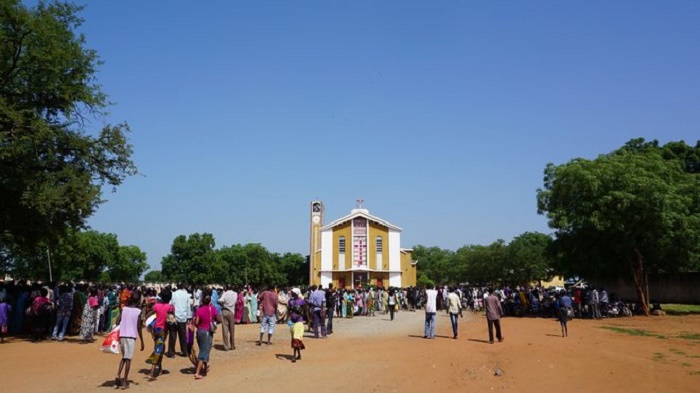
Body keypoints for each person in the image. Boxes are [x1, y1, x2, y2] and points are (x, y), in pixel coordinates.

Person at [115, 292, 144, 390]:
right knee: (128, 359)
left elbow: (117, 321)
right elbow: (139, 327)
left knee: (124, 357)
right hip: (131, 337)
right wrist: (142, 341)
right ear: (139, 300)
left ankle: (118, 374)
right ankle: (124, 381)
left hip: (122, 336)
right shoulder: (138, 311)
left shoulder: (124, 309)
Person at [146, 289, 174, 381]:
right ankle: (152, 372)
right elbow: (171, 318)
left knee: (159, 348)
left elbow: (150, 312)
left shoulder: (157, 306)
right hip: (163, 330)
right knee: (158, 349)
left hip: (156, 329)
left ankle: (160, 369)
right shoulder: (170, 307)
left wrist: (144, 318)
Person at [193, 294, 221, 380]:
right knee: (204, 351)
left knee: (204, 349)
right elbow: (219, 319)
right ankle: (197, 372)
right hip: (207, 332)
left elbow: (196, 323)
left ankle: (204, 368)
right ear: (210, 301)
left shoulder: (199, 310)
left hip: (200, 332)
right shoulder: (212, 309)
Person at [167, 285, 191, 358]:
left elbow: (170, 304)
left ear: (177, 286)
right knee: (183, 335)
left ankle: (171, 353)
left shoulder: (174, 294)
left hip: (174, 317)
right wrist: (189, 316)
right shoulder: (186, 295)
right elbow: (188, 306)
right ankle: (184, 351)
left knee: (172, 335)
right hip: (183, 317)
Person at [287, 288, 306, 363]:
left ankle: (294, 356)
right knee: (294, 339)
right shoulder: (290, 301)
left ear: (296, 293)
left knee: (296, 338)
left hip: (299, 321)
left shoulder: (302, 301)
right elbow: (288, 311)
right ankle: (299, 355)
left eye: (292, 292)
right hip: (292, 322)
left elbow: (304, 311)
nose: (291, 293)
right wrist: (288, 319)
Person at [218, 285, 237, 351]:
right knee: (232, 330)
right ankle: (232, 345)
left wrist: (223, 305)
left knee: (225, 329)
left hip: (225, 311)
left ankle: (226, 346)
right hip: (231, 312)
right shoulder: (235, 294)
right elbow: (235, 302)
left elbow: (219, 301)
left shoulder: (225, 293)